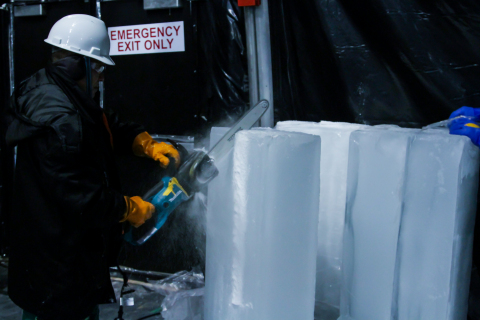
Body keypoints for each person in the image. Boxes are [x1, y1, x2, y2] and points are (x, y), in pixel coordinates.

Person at [2, 14, 180, 319]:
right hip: (60, 267)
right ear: (76, 65)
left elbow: (97, 122)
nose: (101, 78)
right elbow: (79, 197)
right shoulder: (62, 121)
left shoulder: (46, 88)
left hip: (46, 256)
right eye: (98, 69)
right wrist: (127, 209)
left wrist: (141, 140)